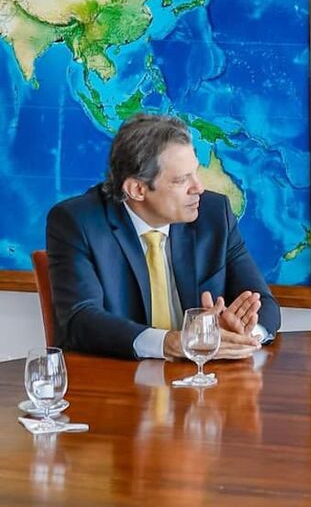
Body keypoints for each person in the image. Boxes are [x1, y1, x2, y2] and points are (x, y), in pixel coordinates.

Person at [46, 113, 281, 359]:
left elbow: (262, 301)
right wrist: (169, 342)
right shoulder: (78, 222)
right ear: (137, 189)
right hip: (119, 382)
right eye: (181, 180)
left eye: (195, 172)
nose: (198, 187)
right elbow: (80, 319)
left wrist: (242, 335)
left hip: (203, 381)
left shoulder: (213, 214)